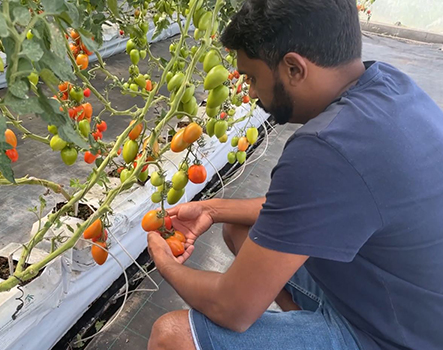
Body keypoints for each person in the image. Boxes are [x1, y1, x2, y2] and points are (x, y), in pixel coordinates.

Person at [146, 0, 443, 349]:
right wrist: (211, 210)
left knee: (172, 337)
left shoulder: (325, 147)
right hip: (406, 304)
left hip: (395, 337)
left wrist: (166, 264)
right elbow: (300, 207)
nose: (252, 93)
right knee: (240, 228)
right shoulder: (389, 84)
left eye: (254, 78)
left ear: (293, 69)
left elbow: (233, 309)